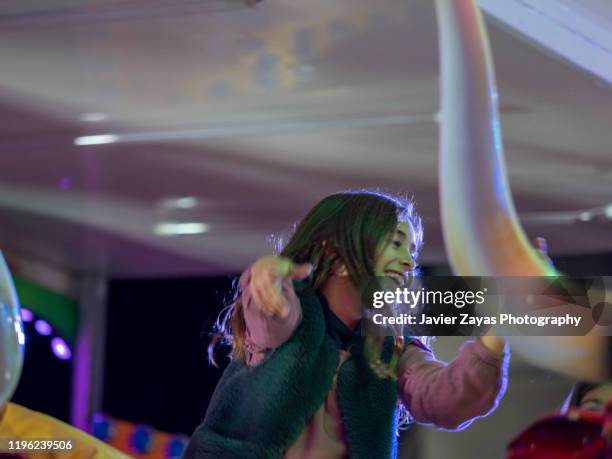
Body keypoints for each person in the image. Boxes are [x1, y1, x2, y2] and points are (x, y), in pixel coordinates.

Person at [184, 191, 509, 459]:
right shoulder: (294, 316)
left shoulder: (390, 345)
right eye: (396, 243)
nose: (410, 262)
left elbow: (444, 397)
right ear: (335, 251)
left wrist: (500, 331)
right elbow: (273, 320)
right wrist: (268, 281)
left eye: (412, 251)